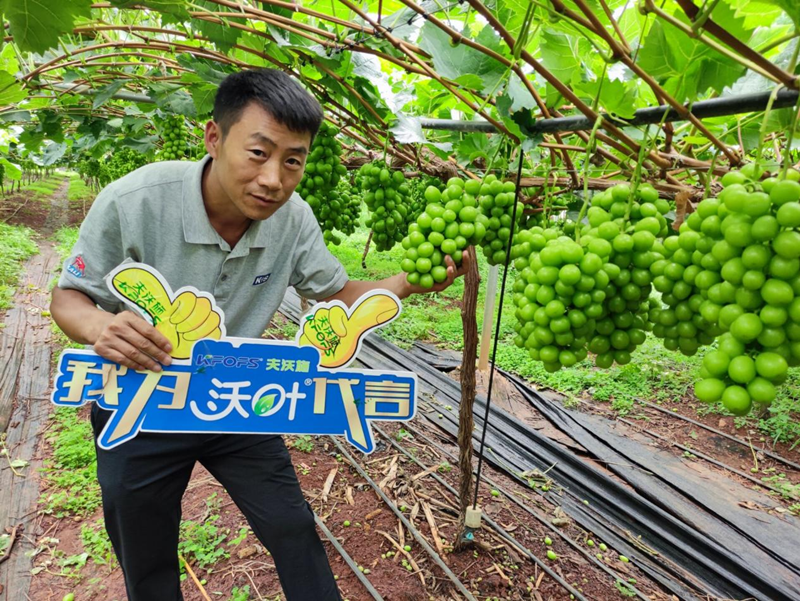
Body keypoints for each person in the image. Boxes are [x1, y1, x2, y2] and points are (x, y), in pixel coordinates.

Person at [50, 68, 468, 601]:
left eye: (293, 160)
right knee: (145, 548)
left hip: (237, 399)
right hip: (142, 400)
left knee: (291, 527)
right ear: (214, 138)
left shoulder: (293, 220)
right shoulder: (134, 202)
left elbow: (334, 293)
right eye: (258, 153)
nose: (275, 178)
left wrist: (406, 283)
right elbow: (68, 297)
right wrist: (101, 326)